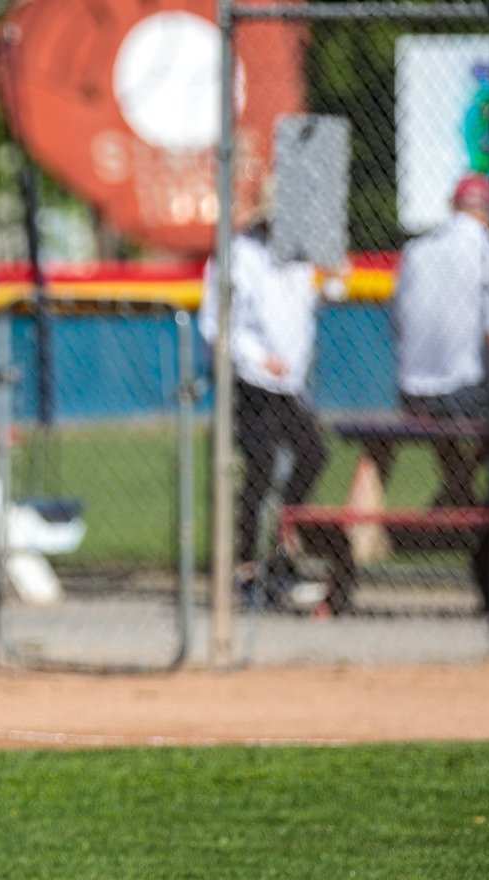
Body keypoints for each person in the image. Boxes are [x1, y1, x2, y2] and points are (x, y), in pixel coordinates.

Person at [198, 182, 330, 603]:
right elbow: (215, 324)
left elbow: (308, 300)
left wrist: (333, 280)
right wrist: (256, 355)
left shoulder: (298, 256)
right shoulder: (237, 254)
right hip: (248, 377)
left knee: (312, 451)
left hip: (286, 382)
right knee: (261, 463)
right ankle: (244, 565)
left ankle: (281, 537)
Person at [392, 173, 489, 507]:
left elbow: (397, 324)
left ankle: (457, 487)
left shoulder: (416, 250)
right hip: (460, 394)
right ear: (488, 210)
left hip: (411, 392)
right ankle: (485, 503)